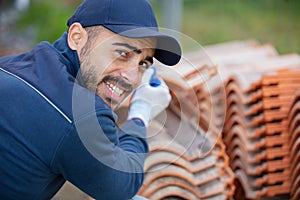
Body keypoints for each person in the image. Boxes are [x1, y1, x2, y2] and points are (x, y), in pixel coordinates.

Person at [0, 0, 181, 199]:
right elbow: (122, 186)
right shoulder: (81, 115)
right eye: (123, 53)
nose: (132, 77)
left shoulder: (11, 66)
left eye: (143, 63)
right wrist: (141, 111)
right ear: (77, 38)